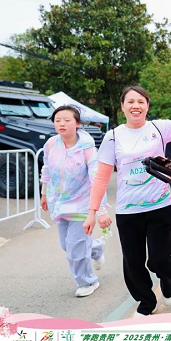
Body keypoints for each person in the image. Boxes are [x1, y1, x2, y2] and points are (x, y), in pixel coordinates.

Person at [87, 86, 171, 317]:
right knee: (133, 261)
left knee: (159, 257)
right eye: (130, 101)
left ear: (147, 105)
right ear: (122, 106)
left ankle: (166, 276)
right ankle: (146, 302)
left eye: (140, 101)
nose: (135, 106)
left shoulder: (159, 128)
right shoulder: (113, 136)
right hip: (128, 210)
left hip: (159, 205)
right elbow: (101, 176)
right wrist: (93, 211)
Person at [40, 105, 108, 298]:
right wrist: (44, 193)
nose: (61, 124)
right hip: (60, 203)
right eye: (58, 120)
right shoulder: (51, 144)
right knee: (67, 245)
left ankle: (88, 281)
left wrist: (100, 210)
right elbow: (47, 169)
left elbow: (97, 178)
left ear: (77, 124)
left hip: (82, 204)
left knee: (75, 250)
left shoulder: (87, 148)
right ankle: (96, 248)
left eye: (67, 120)